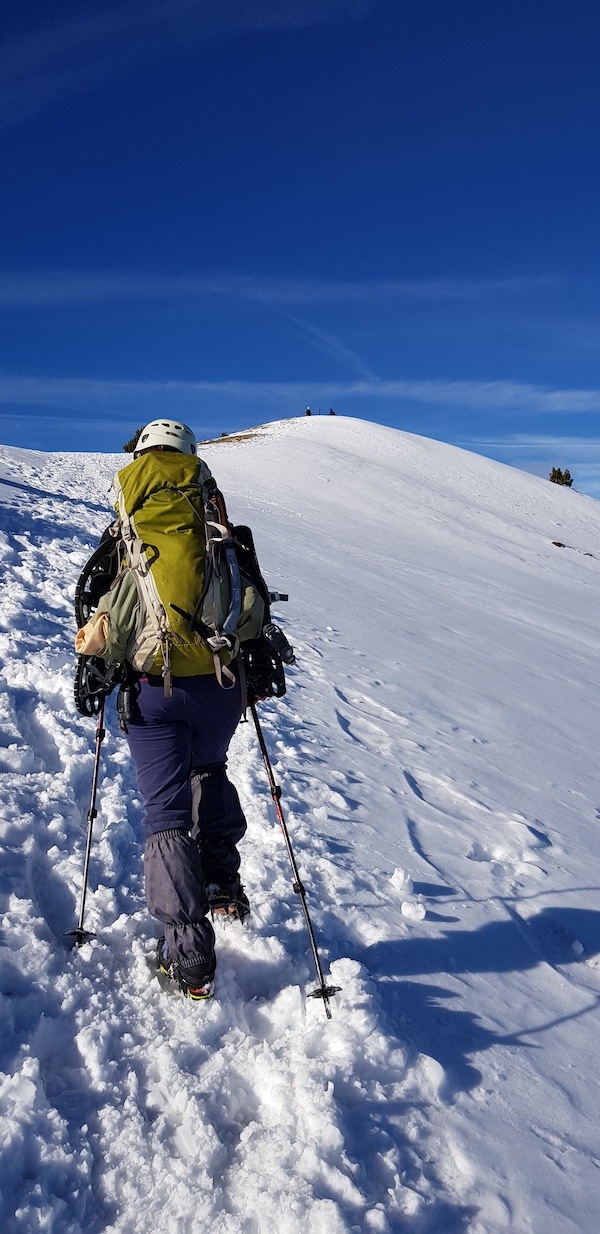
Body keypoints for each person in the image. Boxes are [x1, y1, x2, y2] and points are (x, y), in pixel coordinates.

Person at [84, 419, 250, 1000]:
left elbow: (102, 611)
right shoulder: (216, 523)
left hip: (153, 689)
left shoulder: (128, 523)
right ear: (192, 457)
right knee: (210, 770)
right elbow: (250, 609)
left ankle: (189, 958)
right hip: (220, 685)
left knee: (165, 816)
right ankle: (222, 883)